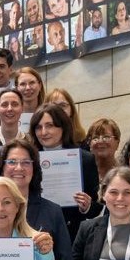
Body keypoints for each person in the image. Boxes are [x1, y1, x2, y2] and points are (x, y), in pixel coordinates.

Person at [29, 103, 98, 240]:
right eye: (38, 127)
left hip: (73, 234)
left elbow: (95, 207)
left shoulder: (85, 159)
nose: (44, 132)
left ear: (63, 127)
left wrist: (87, 206)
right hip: (36, 232)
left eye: (50, 126)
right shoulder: (28, 160)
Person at [86, 118, 121, 183]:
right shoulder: (83, 173)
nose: (100, 141)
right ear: (89, 144)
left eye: (106, 137)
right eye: (95, 138)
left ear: (117, 143)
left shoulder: (125, 173)